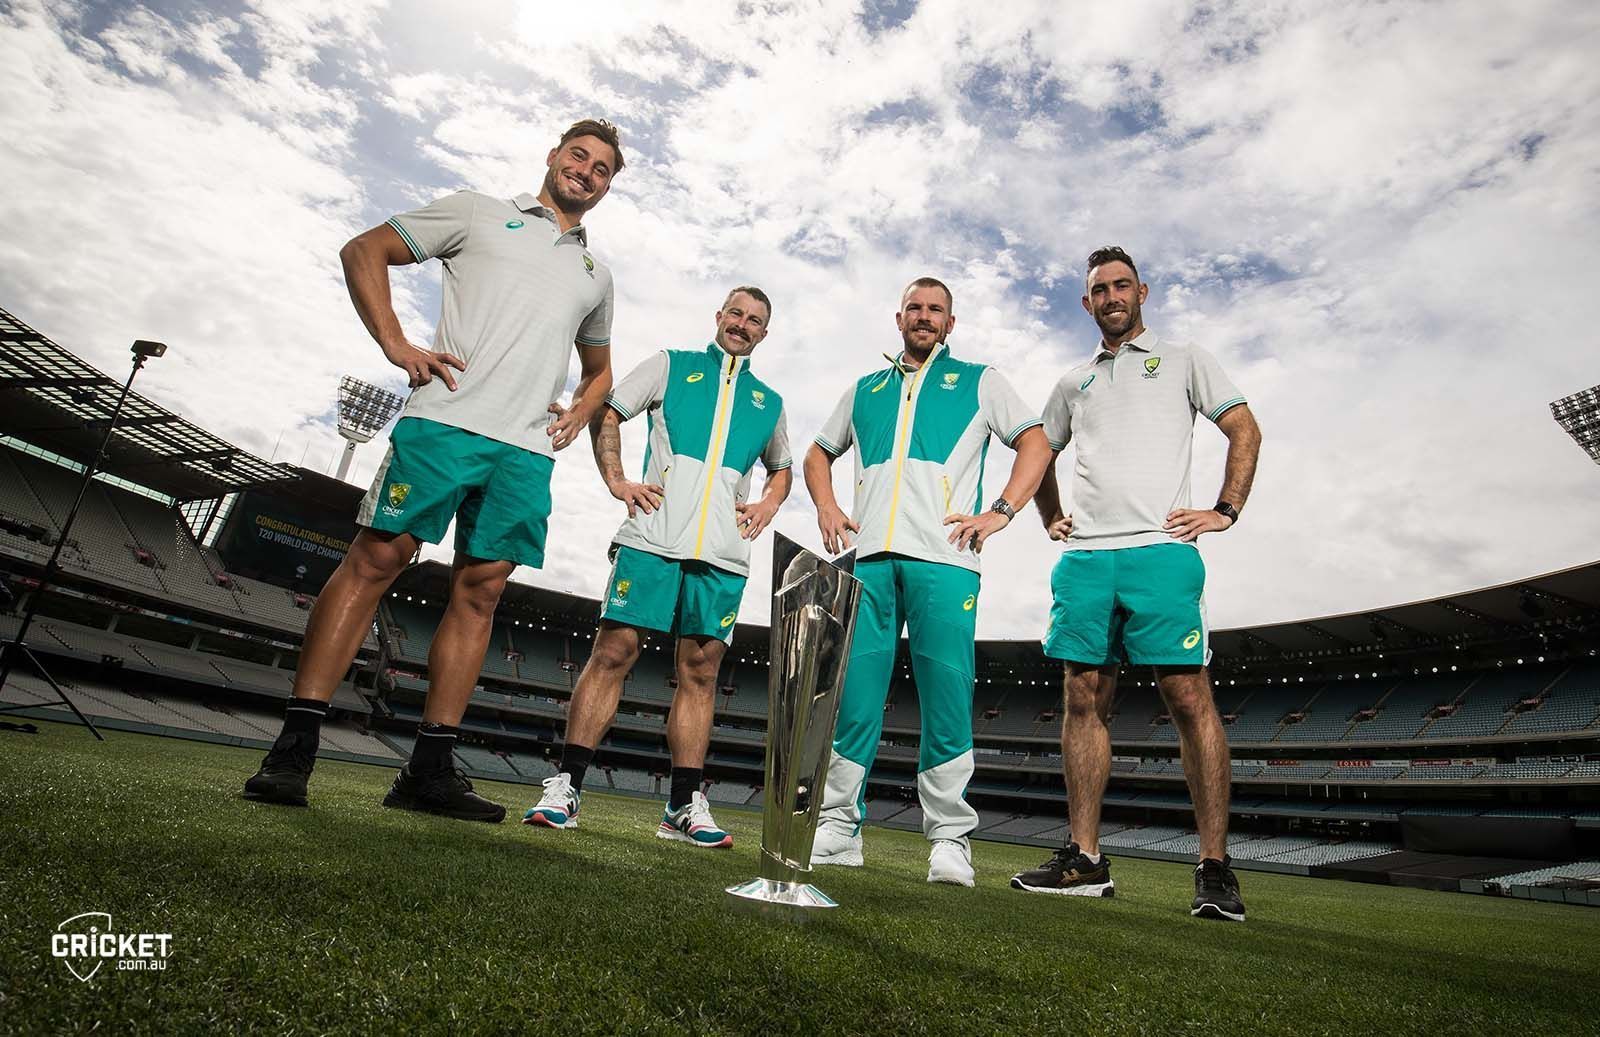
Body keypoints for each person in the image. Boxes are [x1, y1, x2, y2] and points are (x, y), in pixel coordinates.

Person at [243, 119, 625, 822]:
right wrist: (395, 341)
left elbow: (600, 372)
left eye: (603, 168)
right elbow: (366, 249)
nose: (587, 171)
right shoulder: (480, 211)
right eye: (579, 155)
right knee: (376, 560)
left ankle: (427, 769)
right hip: (444, 423)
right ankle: (293, 748)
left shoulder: (596, 276)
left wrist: (578, 409)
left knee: (479, 595)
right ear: (553, 156)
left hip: (524, 453)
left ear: (607, 187)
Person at [1010, 246, 1262, 922]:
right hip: (1087, 558)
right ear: (1086, 302)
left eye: (1122, 285)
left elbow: (1243, 427)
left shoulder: (1184, 358)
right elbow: (1039, 451)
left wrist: (1225, 509)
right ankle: (1085, 860)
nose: (1112, 295)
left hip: (1161, 551)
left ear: (1143, 291)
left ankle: (1214, 868)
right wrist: (1050, 514)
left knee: (1187, 694)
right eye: (1100, 288)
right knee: (1082, 695)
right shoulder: (1072, 382)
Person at [523, 287, 791, 848]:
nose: (743, 325)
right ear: (718, 317)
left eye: (755, 321)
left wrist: (767, 503)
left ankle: (682, 804)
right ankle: (567, 785)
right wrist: (618, 481)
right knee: (613, 651)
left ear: (765, 334)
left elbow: (781, 469)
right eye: (736, 314)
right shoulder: (671, 366)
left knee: (700, 672)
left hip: (722, 553)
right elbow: (609, 413)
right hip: (650, 537)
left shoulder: (769, 401)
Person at [805, 277, 1050, 886]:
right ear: (898, 317)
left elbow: (1037, 444)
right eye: (914, 307)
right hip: (871, 561)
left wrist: (1002, 511)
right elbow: (816, 456)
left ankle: (950, 839)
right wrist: (829, 510)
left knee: (946, 699)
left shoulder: (980, 381)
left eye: (935, 309)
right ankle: (839, 827)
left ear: (951, 321)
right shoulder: (864, 389)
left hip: (946, 559)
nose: (924, 316)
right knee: (854, 697)